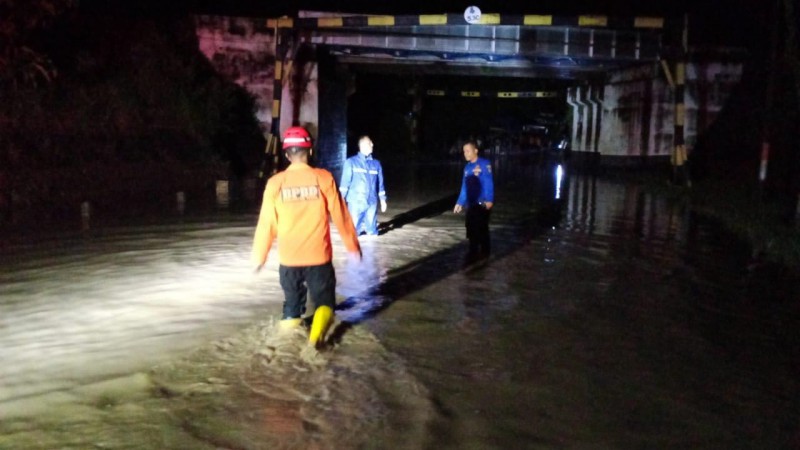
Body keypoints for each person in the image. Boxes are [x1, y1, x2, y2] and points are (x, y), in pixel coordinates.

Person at [252, 126, 362, 348]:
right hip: (318, 259)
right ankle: (315, 341)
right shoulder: (324, 178)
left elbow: (266, 224)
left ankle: (283, 348)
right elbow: (341, 215)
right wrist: (353, 247)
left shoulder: (275, 183)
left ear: (286, 155)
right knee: (325, 304)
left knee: (292, 307)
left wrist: (259, 257)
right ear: (310, 152)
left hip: (289, 261)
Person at [339, 135, 387, 236]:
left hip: (371, 202)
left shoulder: (376, 164)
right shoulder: (351, 162)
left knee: (372, 233)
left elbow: (381, 185)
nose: (372, 144)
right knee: (354, 234)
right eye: (370, 143)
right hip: (356, 203)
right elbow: (344, 184)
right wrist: (340, 202)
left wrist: (383, 200)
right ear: (364, 145)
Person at [453, 140, 494, 257]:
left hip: (482, 203)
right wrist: (459, 202)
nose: (465, 153)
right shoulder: (467, 168)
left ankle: (486, 254)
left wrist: (490, 200)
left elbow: (488, 183)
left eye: (468, 151)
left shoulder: (484, 164)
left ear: (475, 151)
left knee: (482, 229)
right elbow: (464, 187)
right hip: (470, 204)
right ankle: (473, 252)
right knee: (470, 227)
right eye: (464, 151)